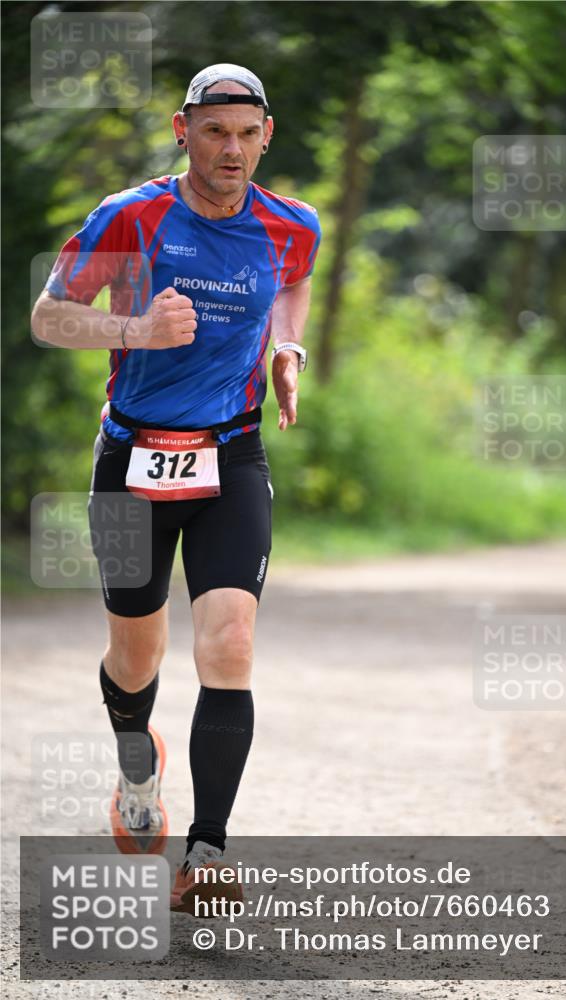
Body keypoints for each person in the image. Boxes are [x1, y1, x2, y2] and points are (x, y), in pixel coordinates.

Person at [31, 64, 321, 913]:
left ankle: (208, 851)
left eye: (245, 133)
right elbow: (49, 317)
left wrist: (286, 348)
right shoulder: (132, 215)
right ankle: (134, 768)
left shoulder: (290, 225)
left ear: (267, 133)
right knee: (137, 654)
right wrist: (134, 329)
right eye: (213, 132)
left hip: (231, 457)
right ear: (181, 130)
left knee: (229, 644)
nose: (230, 150)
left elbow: (293, 282)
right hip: (130, 458)